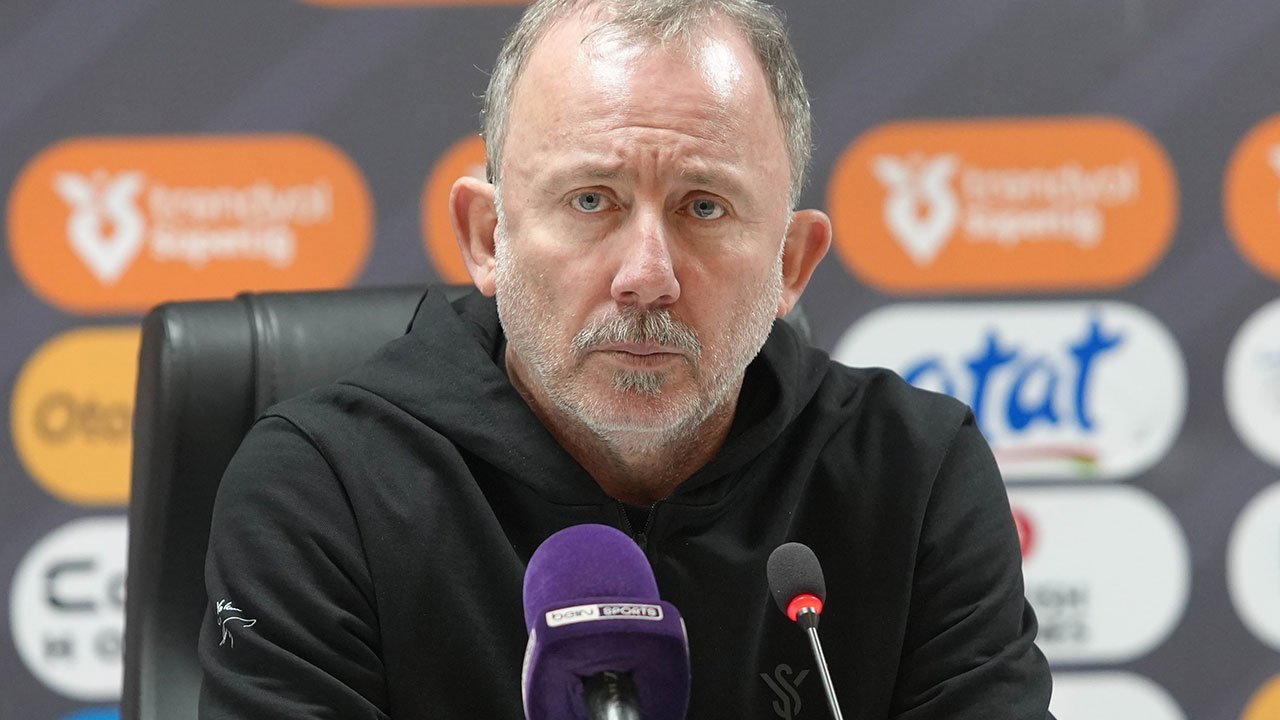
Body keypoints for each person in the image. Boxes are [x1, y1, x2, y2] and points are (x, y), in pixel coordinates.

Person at [199, 0, 1055, 717]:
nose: (647, 277)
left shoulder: (914, 473)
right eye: (591, 200)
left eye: (704, 207)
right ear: (487, 237)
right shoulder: (326, 488)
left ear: (791, 264)